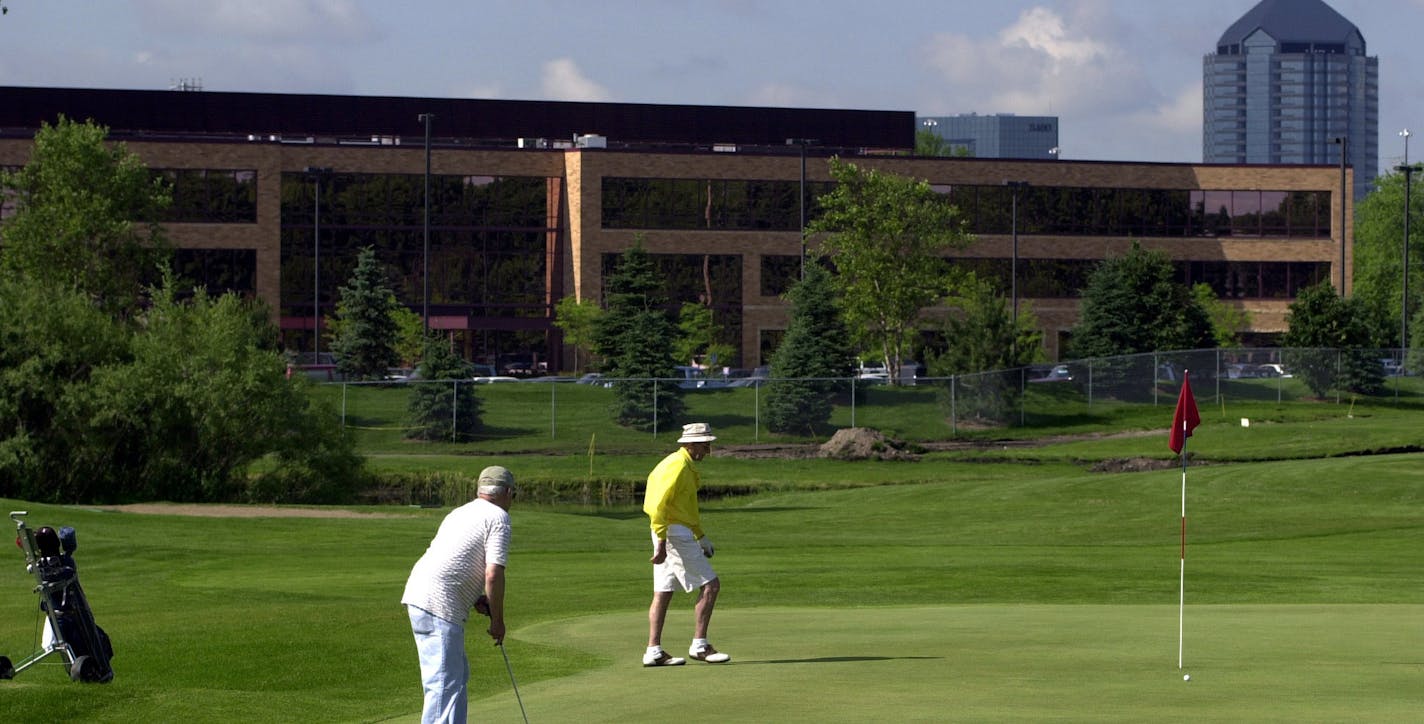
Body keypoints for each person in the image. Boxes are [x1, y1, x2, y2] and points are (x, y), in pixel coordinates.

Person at [402, 465, 516, 724]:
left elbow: (455, 558)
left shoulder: (460, 512)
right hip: (439, 603)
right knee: (443, 685)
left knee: (456, 678)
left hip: (422, 595)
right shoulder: (499, 518)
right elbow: (493, 574)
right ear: (507, 492)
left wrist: (476, 597)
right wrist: (497, 621)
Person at [642, 422, 732, 667]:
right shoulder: (678, 466)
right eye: (704, 446)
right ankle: (699, 645)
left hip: (672, 530)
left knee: (664, 591)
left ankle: (654, 650)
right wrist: (661, 540)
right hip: (672, 532)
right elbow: (657, 505)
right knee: (711, 585)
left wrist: (700, 536)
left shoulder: (683, 465)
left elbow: (685, 508)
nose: (707, 451)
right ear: (690, 444)